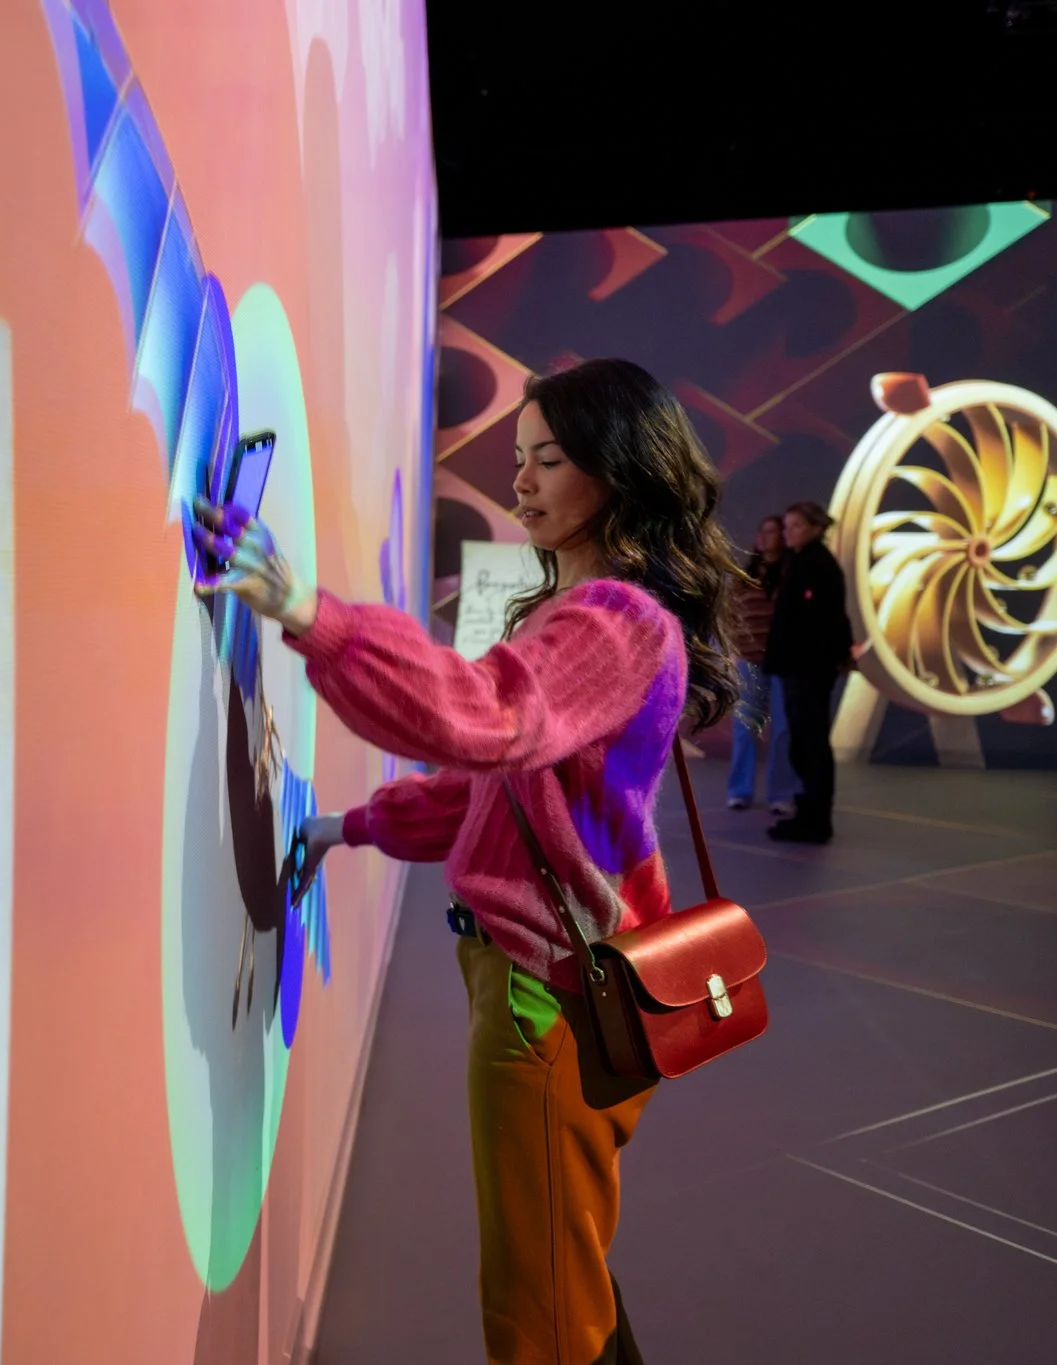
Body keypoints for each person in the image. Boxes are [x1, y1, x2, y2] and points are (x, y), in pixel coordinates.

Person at [196, 358, 739, 1365]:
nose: (520, 480)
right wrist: (348, 828)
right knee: (561, 1270)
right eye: (518, 455)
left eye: (550, 458)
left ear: (618, 470)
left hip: (549, 1003)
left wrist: (308, 611)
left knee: (540, 1315)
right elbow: (495, 794)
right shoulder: (588, 614)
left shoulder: (615, 623)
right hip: (550, 988)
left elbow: (485, 719)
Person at [760, 501, 854, 843]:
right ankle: (809, 814)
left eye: (796, 525)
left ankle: (815, 819)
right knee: (804, 741)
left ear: (816, 527)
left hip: (807, 669)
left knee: (810, 742)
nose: (788, 533)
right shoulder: (802, 562)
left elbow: (824, 620)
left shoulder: (817, 565)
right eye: (786, 526)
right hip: (801, 667)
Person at [726, 515, 798, 814]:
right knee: (745, 728)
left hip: (783, 662)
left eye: (774, 532)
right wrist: (734, 652)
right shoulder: (744, 577)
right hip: (749, 661)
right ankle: (739, 790)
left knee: (783, 730)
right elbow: (730, 615)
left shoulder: (791, 573)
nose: (767, 537)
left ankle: (781, 794)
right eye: (764, 531)